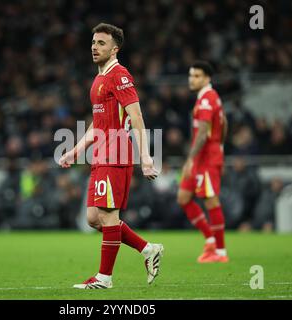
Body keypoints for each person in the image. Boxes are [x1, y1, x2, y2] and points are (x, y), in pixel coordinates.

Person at [59, 23, 164, 289]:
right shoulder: (99, 79)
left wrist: (146, 157)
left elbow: (136, 115)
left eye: (102, 43)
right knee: (94, 218)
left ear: (115, 48)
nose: (95, 47)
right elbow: (98, 123)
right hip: (101, 154)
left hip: (116, 153)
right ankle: (148, 249)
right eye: (93, 42)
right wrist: (76, 149)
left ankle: (104, 278)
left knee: (108, 217)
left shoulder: (120, 74)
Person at [177, 61, 229, 263]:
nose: (192, 79)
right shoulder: (208, 98)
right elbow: (224, 123)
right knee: (183, 197)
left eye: (197, 76)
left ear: (207, 78)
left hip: (206, 158)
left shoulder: (207, 98)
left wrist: (191, 158)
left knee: (211, 200)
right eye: (191, 75)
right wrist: (221, 143)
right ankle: (210, 240)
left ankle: (221, 252)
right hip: (201, 157)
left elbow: (203, 133)